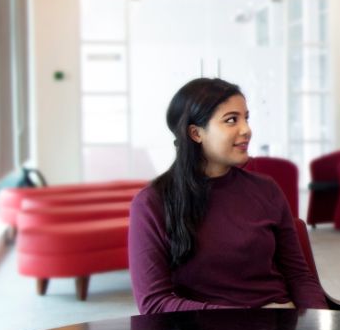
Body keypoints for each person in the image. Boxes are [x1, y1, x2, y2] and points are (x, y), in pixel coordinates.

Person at [129, 78, 327, 314]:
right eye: (231, 120)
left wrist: (319, 324)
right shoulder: (152, 203)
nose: (246, 130)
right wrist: (250, 320)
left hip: (280, 327)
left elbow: (298, 276)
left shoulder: (266, 189)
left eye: (246, 118)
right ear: (195, 133)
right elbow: (155, 303)